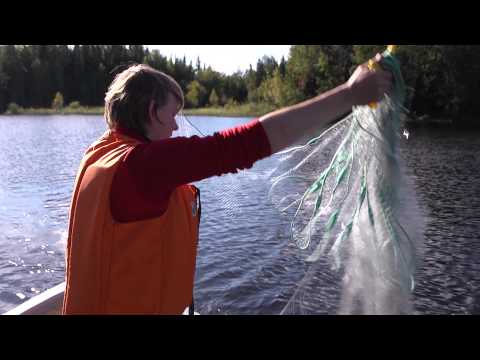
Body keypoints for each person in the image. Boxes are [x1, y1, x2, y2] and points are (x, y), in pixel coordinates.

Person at [62, 55, 392, 315]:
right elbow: (242, 145)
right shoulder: (142, 167)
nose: (176, 126)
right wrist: (350, 94)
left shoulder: (104, 154)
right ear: (151, 110)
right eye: (173, 114)